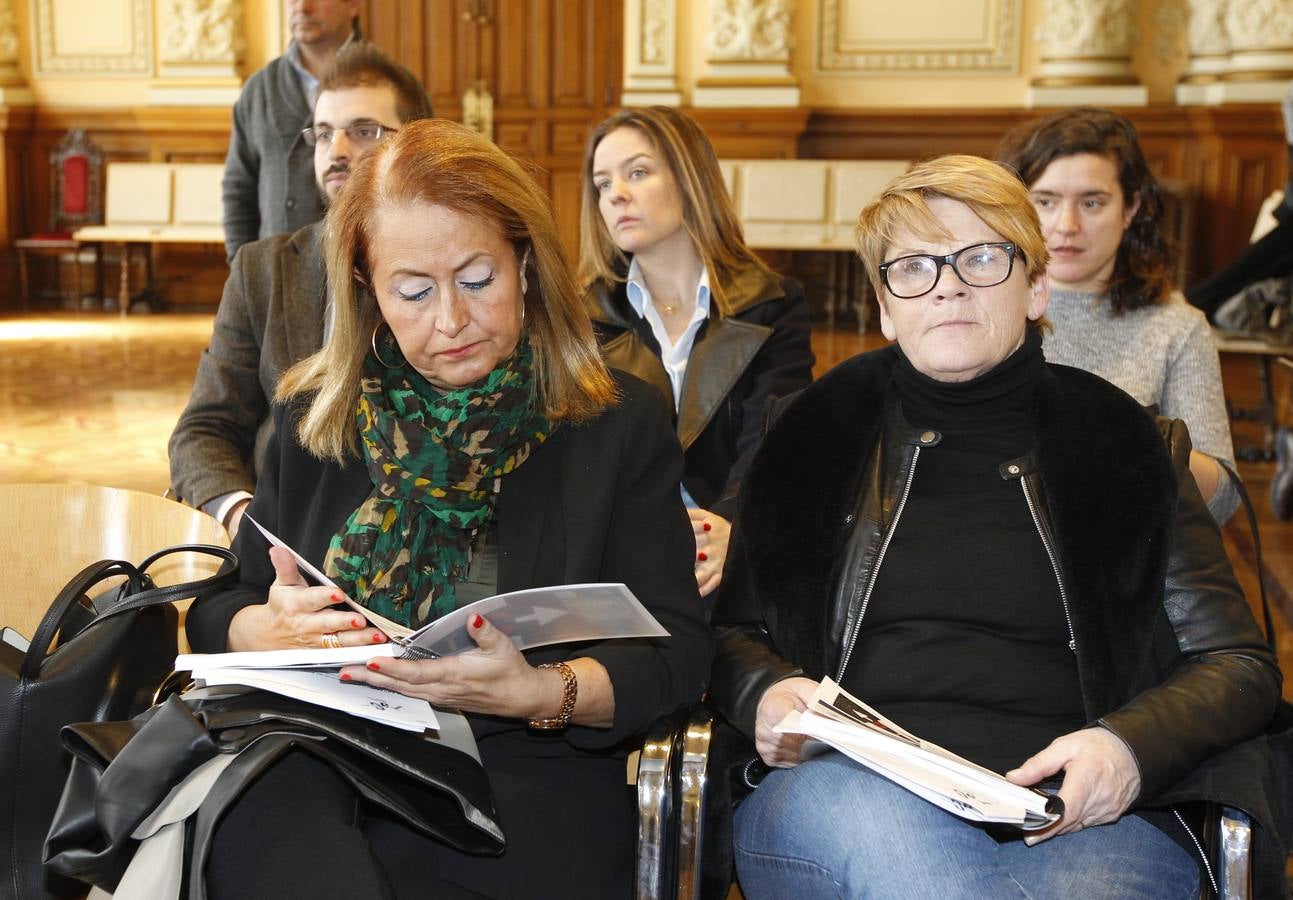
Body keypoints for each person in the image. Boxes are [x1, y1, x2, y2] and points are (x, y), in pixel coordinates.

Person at [710, 155, 1284, 899]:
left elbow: (1235, 663)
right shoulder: (811, 434)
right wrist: (765, 690)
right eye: (912, 266)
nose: (946, 284)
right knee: (918, 875)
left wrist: (1125, 749)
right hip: (850, 791)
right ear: (884, 306)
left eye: (980, 257)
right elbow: (729, 633)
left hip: (1078, 813)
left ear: (1035, 286)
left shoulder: (1125, 443)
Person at [185, 117, 714, 900]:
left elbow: (676, 656)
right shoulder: (317, 418)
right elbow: (218, 608)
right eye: (412, 291)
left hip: (526, 772)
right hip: (321, 755)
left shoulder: (615, 420)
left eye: (476, 279)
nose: (450, 321)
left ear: (526, 266)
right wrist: (258, 628)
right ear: (366, 288)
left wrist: (543, 693)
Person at [170, 42, 432, 536]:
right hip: (280, 535)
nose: (337, 151)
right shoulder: (263, 271)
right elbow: (203, 430)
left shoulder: (445, 272)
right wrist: (241, 517)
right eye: (324, 134)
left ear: (414, 143)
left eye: (363, 131)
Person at [578, 106, 814, 597]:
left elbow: (773, 439)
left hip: (737, 548)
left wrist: (732, 529)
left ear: (689, 180)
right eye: (602, 184)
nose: (616, 194)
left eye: (637, 173)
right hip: (622, 560)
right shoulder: (581, 317)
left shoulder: (771, 302)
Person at [996, 107, 1240, 523]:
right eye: (1046, 201)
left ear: (1130, 208)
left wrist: (1136, 436)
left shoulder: (1176, 327)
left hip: (1117, 553)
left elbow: (1223, 501)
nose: (1067, 225)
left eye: (1092, 202)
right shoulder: (980, 305)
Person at [222, 0, 361, 261]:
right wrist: (242, 271)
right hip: (277, 280)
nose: (302, 7)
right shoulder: (259, 90)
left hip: (367, 279)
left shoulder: (393, 87)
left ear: (353, 4)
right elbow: (239, 190)